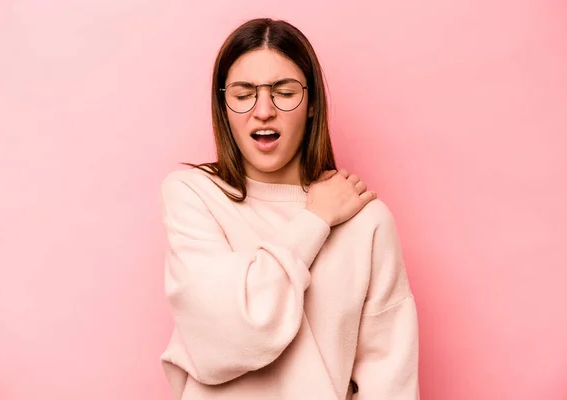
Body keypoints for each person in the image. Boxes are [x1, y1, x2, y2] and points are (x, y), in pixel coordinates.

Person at [159, 17, 419, 400]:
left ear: (312, 104)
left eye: (284, 92)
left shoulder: (366, 221)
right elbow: (225, 338)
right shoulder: (194, 196)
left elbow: (390, 380)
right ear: (224, 106)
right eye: (243, 93)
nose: (263, 110)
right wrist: (314, 220)